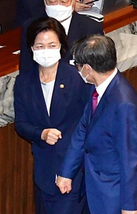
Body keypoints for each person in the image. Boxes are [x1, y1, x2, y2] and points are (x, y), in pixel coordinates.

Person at [56, 35, 137, 214]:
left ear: (87, 68)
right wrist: (66, 172)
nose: (77, 69)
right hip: (94, 184)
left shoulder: (123, 103)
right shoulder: (99, 89)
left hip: (112, 193)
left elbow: (129, 159)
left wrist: (129, 207)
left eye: (78, 65)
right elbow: (82, 131)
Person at [14, 17, 92, 214]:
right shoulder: (24, 82)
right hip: (45, 170)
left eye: (51, 45)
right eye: (40, 46)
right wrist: (41, 133)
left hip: (74, 168)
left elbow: (89, 120)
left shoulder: (77, 78)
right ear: (31, 48)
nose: (45, 50)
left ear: (61, 46)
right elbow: (21, 123)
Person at [19, 0, 103, 73]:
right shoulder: (30, 27)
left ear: (73, 0)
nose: (58, 6)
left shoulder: (91, 28)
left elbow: (98, 74)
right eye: (52, 1)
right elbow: (25, 72)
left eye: (63, 1)